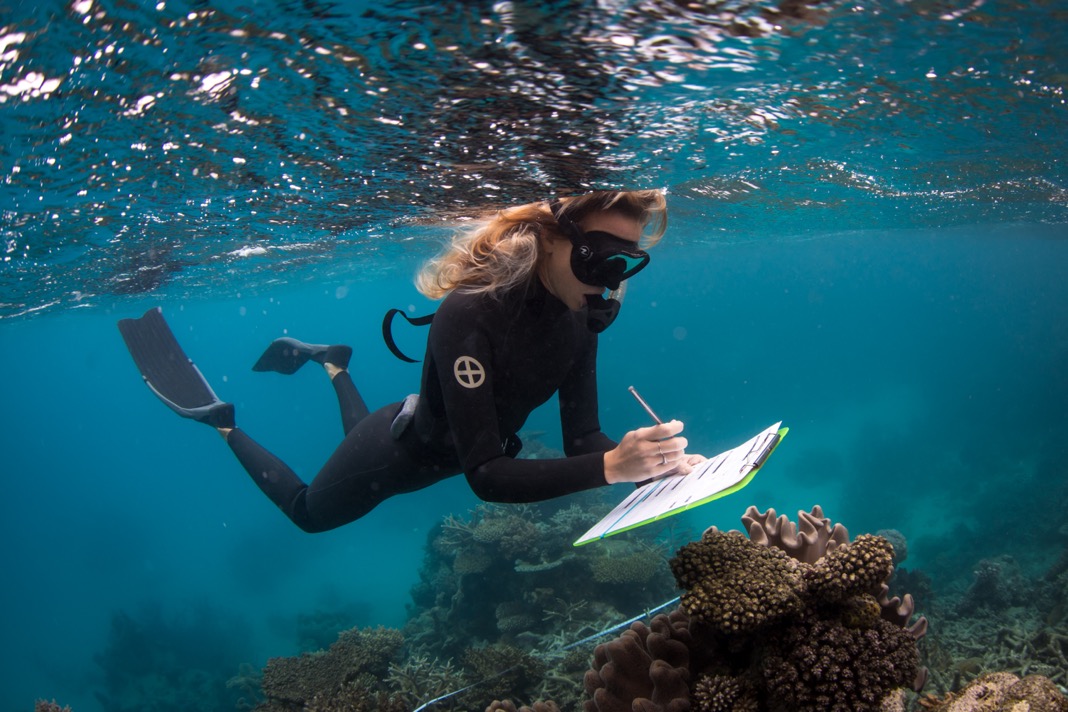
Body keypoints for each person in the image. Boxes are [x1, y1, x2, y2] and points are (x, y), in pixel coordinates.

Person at [118, 190, 705, 533]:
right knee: (308, 513)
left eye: (624, 264)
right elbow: (488, 476)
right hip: (404, 455)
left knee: (365, 431)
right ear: (547, 238)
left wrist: (646, 460)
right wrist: (611, 469)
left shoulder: (582, 312)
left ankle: (334, 364)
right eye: (597, 258)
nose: (609, 283)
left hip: (425, 427)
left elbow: (583, 439)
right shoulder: (471, 314)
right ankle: (221, 420)